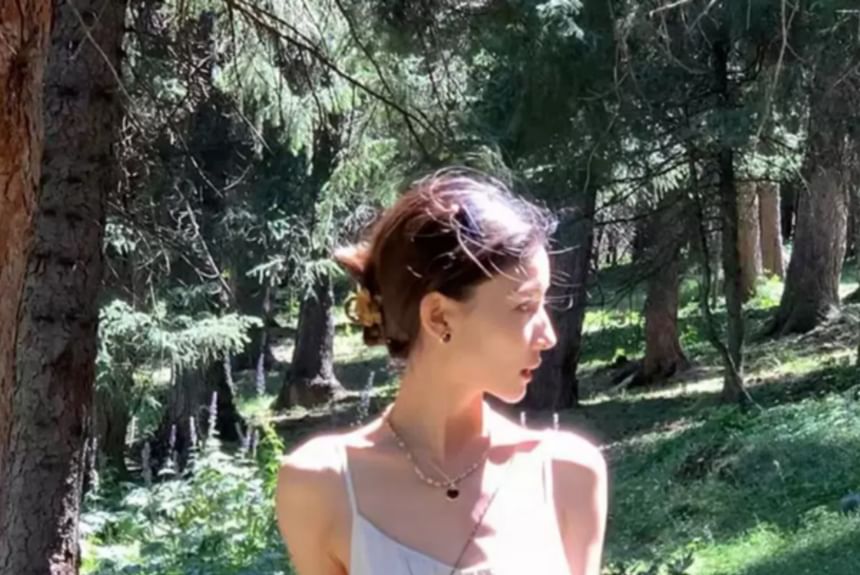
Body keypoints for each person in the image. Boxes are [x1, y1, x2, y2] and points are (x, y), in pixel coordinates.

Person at [275, 168, 608, 575]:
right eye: (524, 306)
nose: (548, 336)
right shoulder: (320, 485)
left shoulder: (567, 474)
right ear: (438, 317)